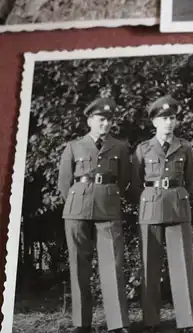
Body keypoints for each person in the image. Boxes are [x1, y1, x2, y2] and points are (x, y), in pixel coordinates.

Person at [57, 97, 131, 333]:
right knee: (79, 265)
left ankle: (117, 324)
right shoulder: (74, 146)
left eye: (109, 121)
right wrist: (76, 200)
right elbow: (64, 183)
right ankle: (81, 323)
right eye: (101, 120)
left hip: (108, 208)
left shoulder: (120, 147)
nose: (105, 125)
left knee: (113, 265)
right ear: (90, 120)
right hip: (77, 208)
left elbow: (126, 179)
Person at [131, 95, 193, 333]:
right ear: (154, 123)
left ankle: (189, 322)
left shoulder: (185, 148)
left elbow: (190, 180)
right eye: (163, 118)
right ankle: (151, 321)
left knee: (182, 265)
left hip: (177, 207)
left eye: (172, 117)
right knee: (150, 266)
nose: (169, 123)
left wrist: (177, 194)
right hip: (150, 208)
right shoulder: (143, 149)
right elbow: (135, 182)